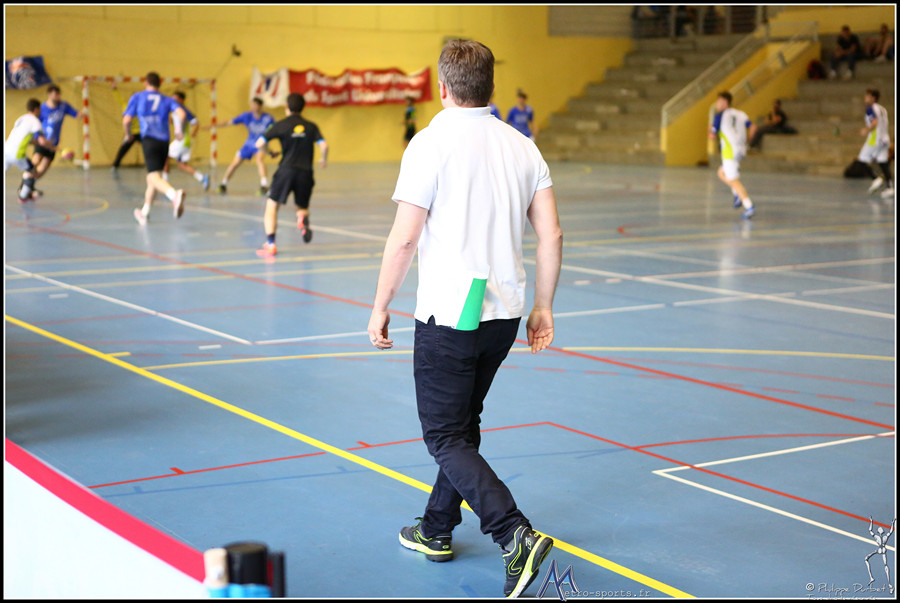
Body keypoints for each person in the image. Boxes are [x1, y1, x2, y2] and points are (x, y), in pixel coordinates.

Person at [366, 39, 563, 598]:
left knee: (445, 434)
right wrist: (544, 306)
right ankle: (435, 528)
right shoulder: (523, 146)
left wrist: (380, 305)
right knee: (463, 425)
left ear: (443, 88)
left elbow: (405, 238)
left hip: (450, 315)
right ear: (491, 87)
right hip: (504, 314)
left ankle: (513, 533)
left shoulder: (428, 144)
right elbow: (551, 233)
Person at [253, 92, 327, 256]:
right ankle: (302, 219)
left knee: (272, 206)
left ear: (287, 107)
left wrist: (269, 152)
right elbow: (324, 145)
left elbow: (259, 143)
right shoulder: (311, 126)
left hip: (286, 171)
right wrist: (323, 159)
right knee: (302, 206)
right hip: (306, 173)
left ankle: (271, 244)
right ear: (303, 107)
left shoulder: (281, 125)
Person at [123, 71, 187, 225]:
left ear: (146, 83)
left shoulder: (138, 97)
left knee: (152, 177)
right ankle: (145, 213)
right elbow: (182, 115)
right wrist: (180, 131)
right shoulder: (167, 99)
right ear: (160, 83)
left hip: (149, 140)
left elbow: (126, 120)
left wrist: (128, 135)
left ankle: (174, 195)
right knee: (154, 177)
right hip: (164, 142)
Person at [709, 91, 757, 219]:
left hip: (729, 151)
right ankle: (736, 194)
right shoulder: (741, 114)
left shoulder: (720, 116)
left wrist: (711, 131)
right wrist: (748, 141)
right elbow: (753, 128)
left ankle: (748, 205)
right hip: (741, 150)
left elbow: (712, 135)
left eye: (719, 101)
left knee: (733, 180)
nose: (716, 104)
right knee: (721, 173)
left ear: (725, 102)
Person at [217, 97, 276, 195]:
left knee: (259, 160)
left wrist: (269, 150)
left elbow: (274, 130)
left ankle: (264, 185)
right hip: (248, 144)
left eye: (255, 105)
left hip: (261, 144)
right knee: (235, 162)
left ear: (261, 106)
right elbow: (230, 122)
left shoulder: (268, 118)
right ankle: (223, 183)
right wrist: (214, 125)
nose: (252, 107)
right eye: (252, 105)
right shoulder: (246, 116)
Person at [31, 84, 81, 180]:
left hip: (53, 144)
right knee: (35, 161)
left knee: (43, 168)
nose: (58, 97)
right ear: (49, 95)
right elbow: (35, 124)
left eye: (59, 94)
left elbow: (76, 114)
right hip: (43, 141)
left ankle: (30, 184)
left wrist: (83, 113)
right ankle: (25, 182)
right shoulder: (42, 108)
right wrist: (38, 137)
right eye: (55, 94)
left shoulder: (63, 106)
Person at [5, 98, 50, 202]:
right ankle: (24, 195)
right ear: (37, 109)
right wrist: (51, 146)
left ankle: (28, 190)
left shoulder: (21, 119)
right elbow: (42, 141)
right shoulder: (35, 121)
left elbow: (26, 139)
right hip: (17, 155)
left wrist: (36, 142)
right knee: (33, 172)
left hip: (5, 150)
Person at [164, 91, 210, 191]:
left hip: (182, 140)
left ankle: (164, 184)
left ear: (181, 100)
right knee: (182, 165)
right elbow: (174, 121)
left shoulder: (184, 111)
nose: (173, 100)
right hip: (185, 141)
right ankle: (202, 178)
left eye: (175, 99)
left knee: (165, 158)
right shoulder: (175, 110)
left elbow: (196, 123)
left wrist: (193, 133)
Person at [858, 88, 893, 199]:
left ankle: (876, 178)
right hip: (885, 139)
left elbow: (875, 122)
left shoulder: (870, 108)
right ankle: (890, 188)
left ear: (873, 98)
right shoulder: (882, 109)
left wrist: (866, 130)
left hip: (875, 139)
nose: (865, 98)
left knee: (862, 160)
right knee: (883, 163)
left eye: (867, 96)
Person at [110, 81, 142, 170]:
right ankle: (115, 165)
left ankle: (155, 165)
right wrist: (114, 88)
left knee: (150, 148)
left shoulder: (143, 108)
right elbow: (118, 98)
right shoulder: (126, 106)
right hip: (131, 133)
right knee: (123, 149)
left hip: (141, 132)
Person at [865, 517, 895, 594]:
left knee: (867, 559)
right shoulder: (883, 537)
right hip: (882, 550)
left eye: (880, 528)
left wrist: (871, 522)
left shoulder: (878, 537)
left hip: (880, 550)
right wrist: (871, 522)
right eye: (879, 528)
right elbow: (891, 531)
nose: (880, 529)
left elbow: (870, 530)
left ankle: (888, 585)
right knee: (885, 565)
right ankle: (889, 585)